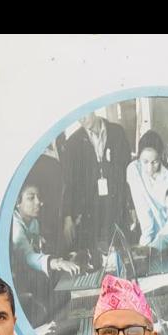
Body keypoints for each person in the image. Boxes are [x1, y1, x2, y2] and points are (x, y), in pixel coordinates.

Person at [59, 110, 132, 271]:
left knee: (121, 256)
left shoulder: (117, 132)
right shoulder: (73, 143)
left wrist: (131, 205)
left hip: (117, 205)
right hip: (91, 211)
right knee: (98, 261)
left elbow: (128, 171)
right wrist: (68, 216)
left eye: (84, 112)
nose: (81, 118)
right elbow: (69, 183)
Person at [10, 182, 80, 326]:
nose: (38, 202)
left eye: (38, 197)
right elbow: (28, 256)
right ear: (17, 203)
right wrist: (57, 263)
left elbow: (39, 252)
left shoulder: (33, 222)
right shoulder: (15, 228)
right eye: (31, 198)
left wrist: (63, 258)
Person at [126, 131, 168, 246]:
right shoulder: (134, 170)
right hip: (146, 228)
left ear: (161, 157)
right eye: (145, 162)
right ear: (138, 157)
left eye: (155, 162)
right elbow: (143, 209)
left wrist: (159, 242)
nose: (150, 168)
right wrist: (146, 243)